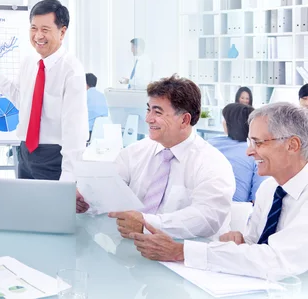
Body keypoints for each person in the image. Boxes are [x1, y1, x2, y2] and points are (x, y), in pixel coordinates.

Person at [129, 102, 308, 279]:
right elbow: (255, 244)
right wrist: (241, 241)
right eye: (250, 142)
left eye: (258, 143)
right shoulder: (269, 189)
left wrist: (181, 252)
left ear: (292, 145)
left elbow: (277, 260)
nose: (249, 152)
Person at [76, 75, 235, 239]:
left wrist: (146, 224)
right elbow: (110, 188)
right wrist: (87, 200)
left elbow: (206, 218)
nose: (148, 119)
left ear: (184, 120)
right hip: (135, 252)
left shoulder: (212, 163)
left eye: (157, 112)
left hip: (187, 257)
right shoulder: (135, 152)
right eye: (148, 109)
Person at [0, 0, 88, 181]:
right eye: (34, 28)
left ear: (62, 32)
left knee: (52, 209)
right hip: (25, 152)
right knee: (26, 208)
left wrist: (70, 177)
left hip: (54, 156)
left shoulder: (72, 70)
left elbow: (76, 130)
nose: (38, 36)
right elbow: (22, 101)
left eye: (45, 30)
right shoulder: (29, 62)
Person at [209, 103, 266, 202]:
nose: (223, 122)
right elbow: (258, 198)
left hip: (202, 204)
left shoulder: (210, 144)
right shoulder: (257, 152)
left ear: (230, 124)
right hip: (238, 210)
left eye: (225, 120)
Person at [86, 73, 109, 138]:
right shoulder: (103, 96)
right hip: (102, 131)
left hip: (89, 132)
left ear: (85, 84)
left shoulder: (83, 96)